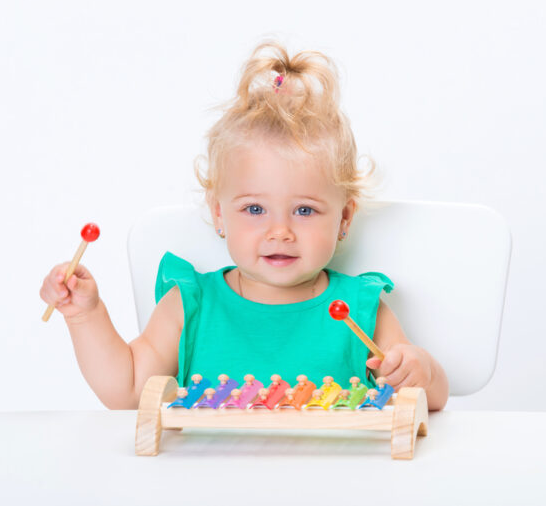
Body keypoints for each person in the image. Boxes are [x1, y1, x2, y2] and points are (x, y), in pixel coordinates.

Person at [39, 41, 449, 411]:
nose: (280, 232)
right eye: (255, 210)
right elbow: (125, 391)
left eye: (304, 211)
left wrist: (420, 373)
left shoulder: (361, 307)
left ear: (344, 218)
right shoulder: (189, 305)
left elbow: (430, 398)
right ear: (219, 214)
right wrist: (84, 316)